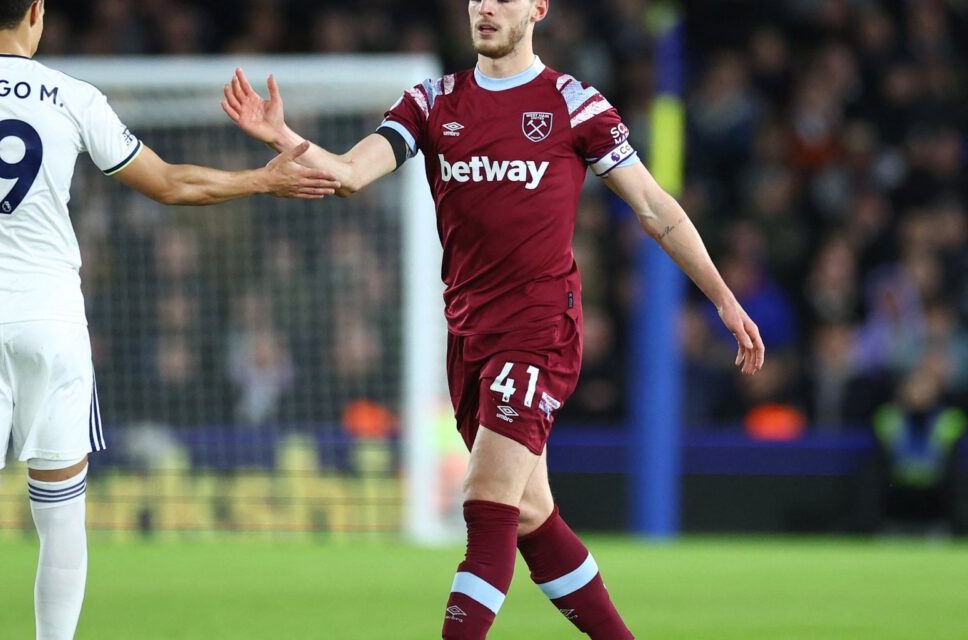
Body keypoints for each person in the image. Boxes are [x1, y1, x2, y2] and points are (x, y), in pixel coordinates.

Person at [221, 1, 765, 638]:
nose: (485, 6)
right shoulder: (432, 102)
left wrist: (723, 299)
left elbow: (654, 207)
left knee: (485, 502)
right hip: (469, 338)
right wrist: (287, 140)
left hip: (539, 332)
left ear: (537, 7)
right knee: (531, 513)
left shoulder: (572, 103)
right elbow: (347, 174)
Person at [0, 1, 338, 638]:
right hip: (50, 325)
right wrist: (261, 180)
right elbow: (168, 183)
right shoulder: (72, 97)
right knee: (60, 519)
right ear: (36, 13)